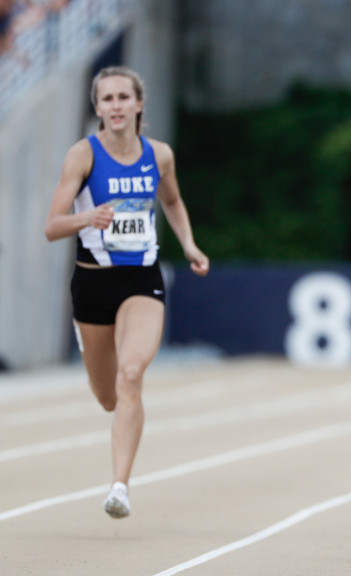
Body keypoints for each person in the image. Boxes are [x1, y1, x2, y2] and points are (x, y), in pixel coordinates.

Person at [44, 65, 210, 519]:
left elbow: (171, 201)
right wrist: (87, 218)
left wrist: (189, 244)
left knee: (132, 374)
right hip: (93, 283)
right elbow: (52, 226)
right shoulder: (83, 156)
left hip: (141, 279)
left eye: (123, 97)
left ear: (139, 104)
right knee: (108, 396)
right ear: (97, 108)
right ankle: (99, 363)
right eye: (107, 99)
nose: (115, 106)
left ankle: (120, 487)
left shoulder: (159, 156)